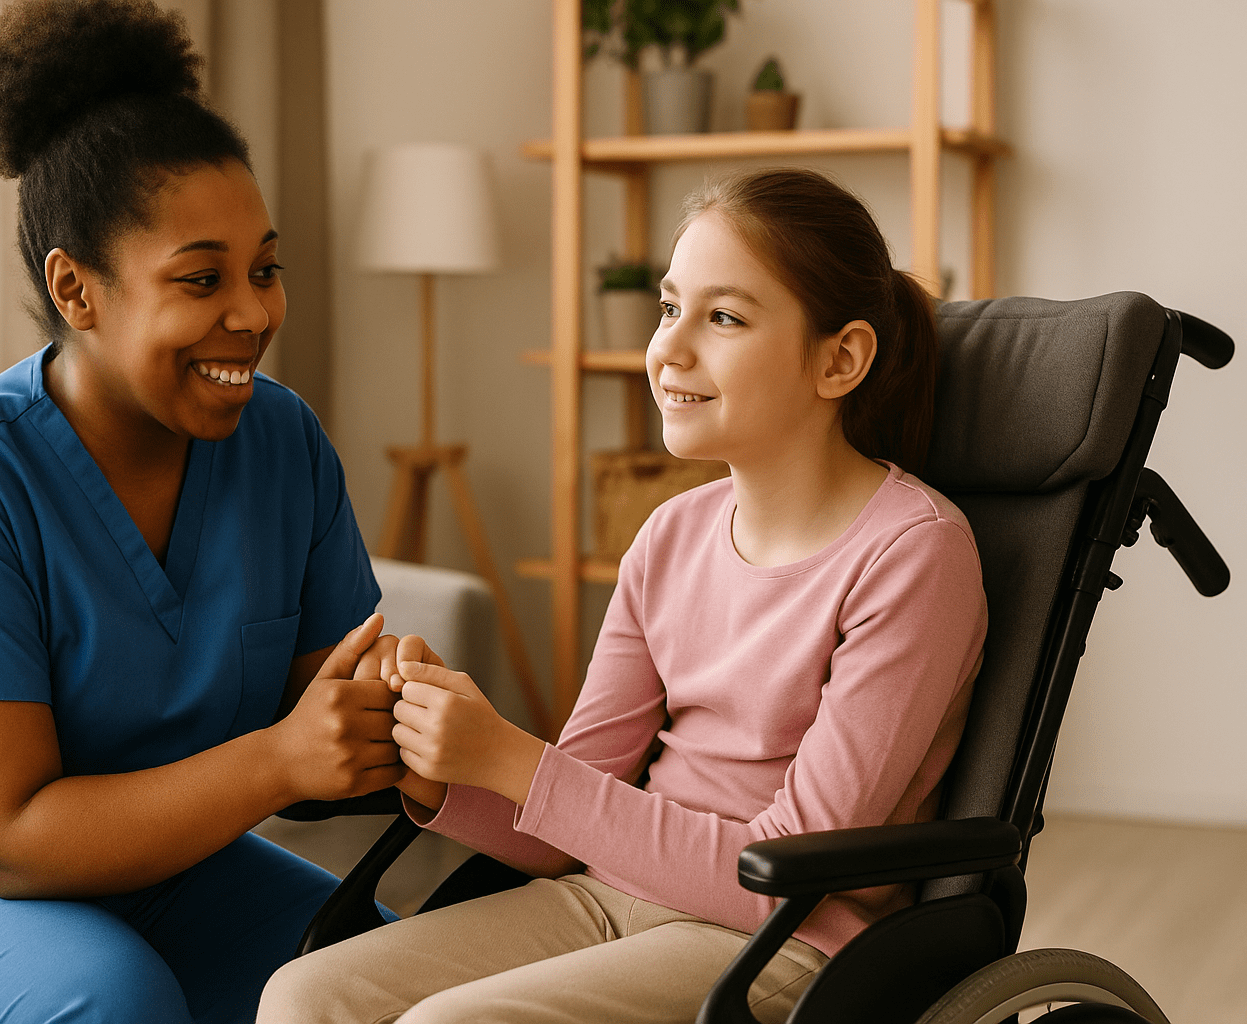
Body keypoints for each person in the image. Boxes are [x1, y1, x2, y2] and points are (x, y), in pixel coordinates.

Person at [0, 3, 405, 1022]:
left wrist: (401, 727)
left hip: (164, 867)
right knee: (111, 1000)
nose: (253, 313)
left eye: (265, 269)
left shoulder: (282, 441)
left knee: (386, 978)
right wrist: (279, 757)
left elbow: (319, 729)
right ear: (77, 290)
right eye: (201, 279)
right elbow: (8, 839)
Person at [258, 168, 990, 1024]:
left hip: (784, 937)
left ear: (840, 359)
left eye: (724, 317)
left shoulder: (913, 554)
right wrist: (441, 763)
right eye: (669, 308)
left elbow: (785, 873)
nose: (669, 349)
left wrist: (512, 760)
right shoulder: (668, 535)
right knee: (307, 994)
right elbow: (559, 830)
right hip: (607, 898)